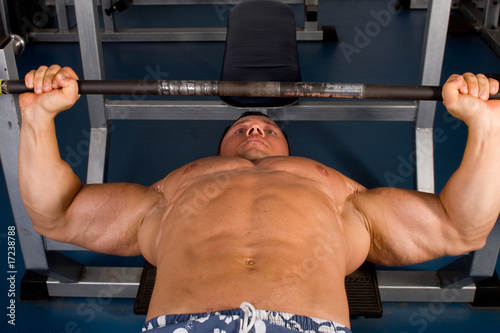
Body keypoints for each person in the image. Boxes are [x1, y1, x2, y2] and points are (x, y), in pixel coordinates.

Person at [18, 65, 500, 333]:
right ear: (218, 149)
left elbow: (461, 227)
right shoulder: (171, 190)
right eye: (242, 127)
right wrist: (38, 118)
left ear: (291, 150)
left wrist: (486, 127)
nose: (255, 127)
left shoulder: (341, 193)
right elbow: (55, 215)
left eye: (268, 127)